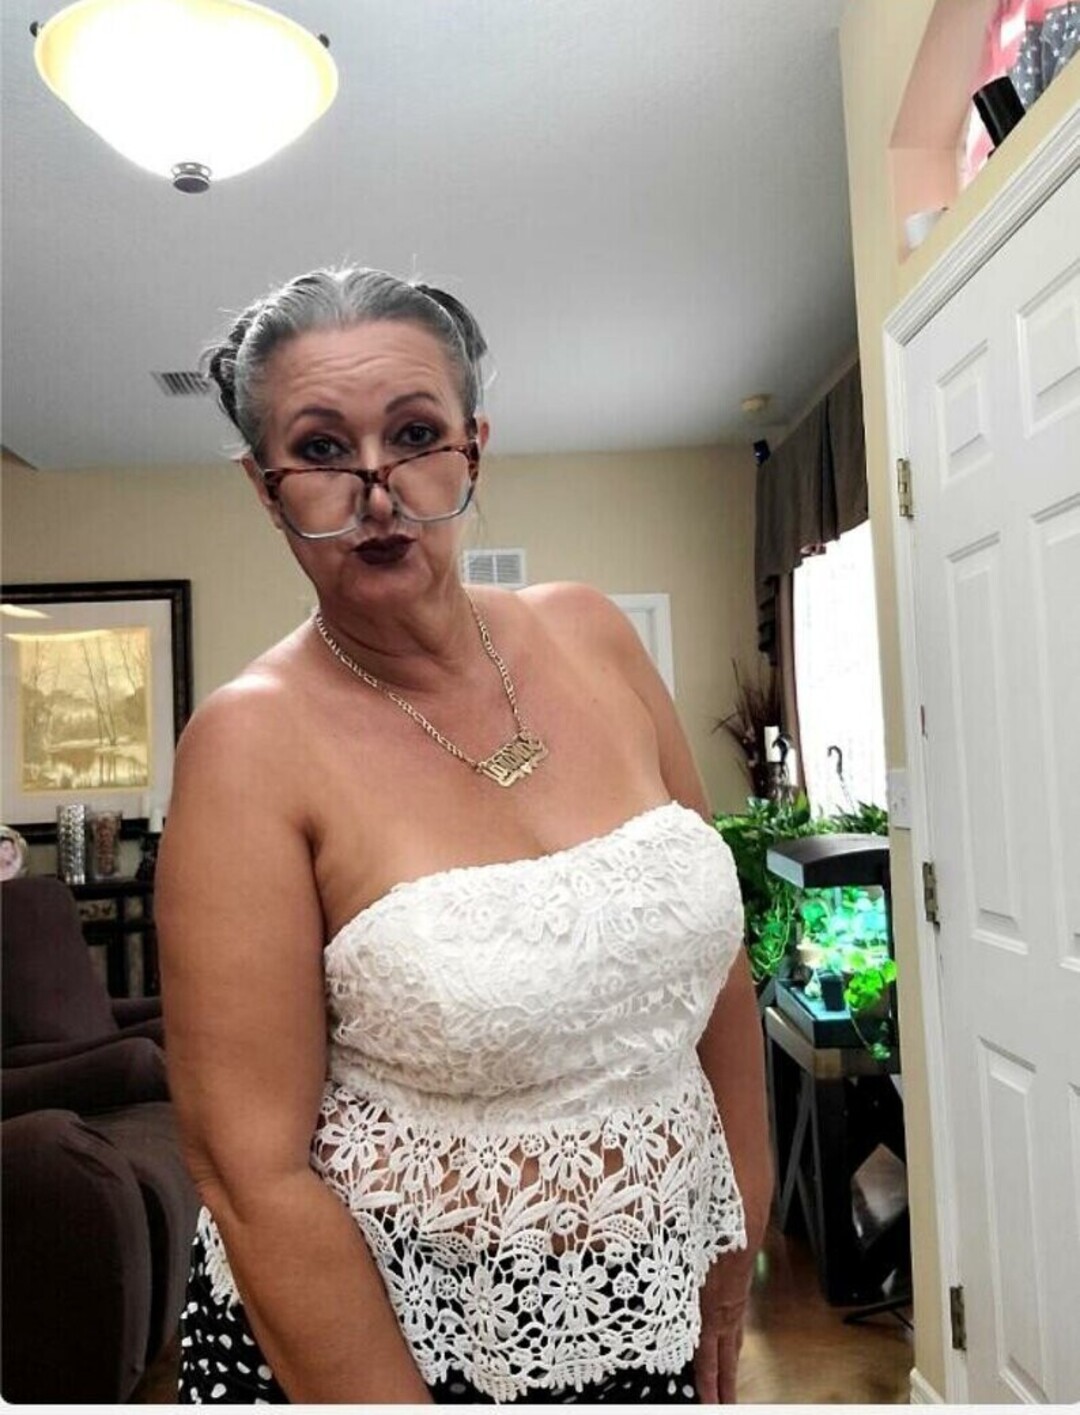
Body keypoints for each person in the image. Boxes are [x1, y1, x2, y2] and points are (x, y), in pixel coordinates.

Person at [157, 266, 772, 1406]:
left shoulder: (594, 634)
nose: (377, 490)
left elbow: (715, 964)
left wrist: (739, 1232)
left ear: (472, 450)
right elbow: (249, 1170)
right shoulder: (248, 746)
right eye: (323, 450)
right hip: (387, 1348)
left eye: (414, 434)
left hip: (657, 1307)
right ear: (266, 488)